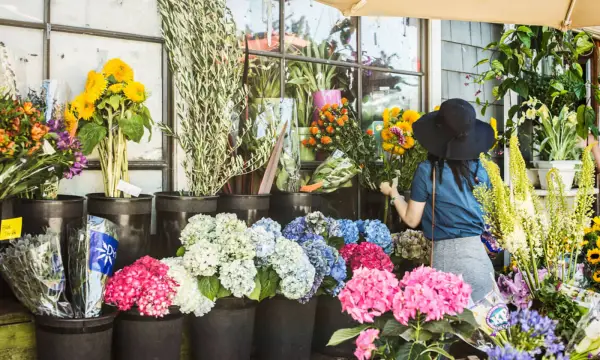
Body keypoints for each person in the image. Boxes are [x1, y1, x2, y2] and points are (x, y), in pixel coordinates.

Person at [379, 98, 496, 302]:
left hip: (447, 263)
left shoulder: (429, 171)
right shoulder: (482, 172)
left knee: (449, 330)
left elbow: (411, 219)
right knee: (485, 331)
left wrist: (393, 194)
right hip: (480, 260)